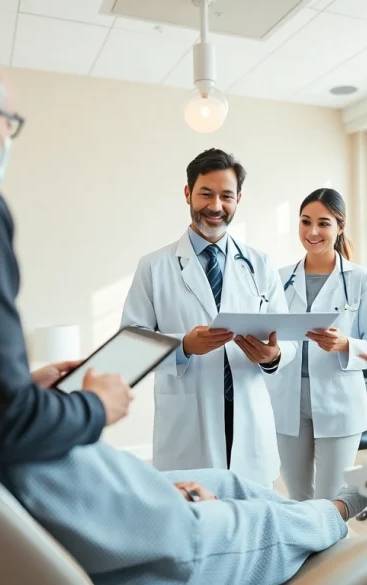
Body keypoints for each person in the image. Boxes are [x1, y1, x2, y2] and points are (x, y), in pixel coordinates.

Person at [0, 37, 367, 585]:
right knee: (215, 521)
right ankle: (334, 516)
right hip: (28, 474)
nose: (6, 138)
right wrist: (94, 404)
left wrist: (25, 385)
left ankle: (325, 510)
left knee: (228, 483)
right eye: (9, 124)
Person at [120, 149, 297, 486]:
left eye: (226, 196)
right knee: (195, 518)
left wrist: (274, 356)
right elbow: (130, 345)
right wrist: (183, 345)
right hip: (189, 420)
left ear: (238, 199)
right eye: (206, 193)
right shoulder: (154, 266)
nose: (216, 206)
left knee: (253, 517)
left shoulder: (260, 264)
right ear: (188, 193)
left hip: (248, 411)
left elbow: (286, 338)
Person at [270, 188, 367, 501]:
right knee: (297, 495)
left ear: (340, 227)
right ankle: (305, 551)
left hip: (339, 401)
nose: (312, 231)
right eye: (305, 221)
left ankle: (334, 551)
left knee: (330, 499)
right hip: (287, 400)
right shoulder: (280, 279)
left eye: (323, 223)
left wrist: (345, 344)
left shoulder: (361, 280)